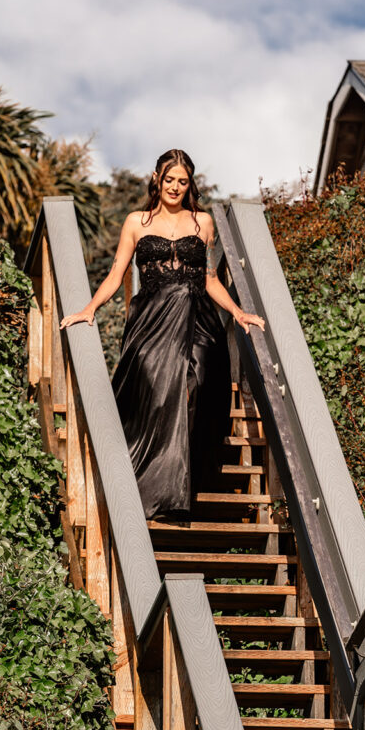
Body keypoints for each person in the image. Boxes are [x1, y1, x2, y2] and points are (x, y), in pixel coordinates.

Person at [60, 148, 265, 519]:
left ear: (190, 185)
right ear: (157, 178)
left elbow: (210, 279)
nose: (175, 187)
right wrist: (90, 309)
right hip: (152, 319)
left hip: (198, 317)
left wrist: (237, 313)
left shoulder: (203, 222)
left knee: (198, 381)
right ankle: (148, 484)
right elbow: (117, 273)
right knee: (155, 389)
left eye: (182, 182)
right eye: (169, 179)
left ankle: (184, 486)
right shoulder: (135, 222)